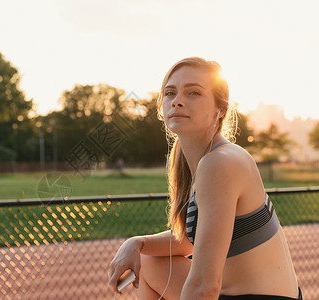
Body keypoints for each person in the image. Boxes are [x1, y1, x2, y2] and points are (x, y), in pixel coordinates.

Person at [108, 57, 301, 299]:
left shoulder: (219, 162)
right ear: (161, 106)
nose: (177, 101)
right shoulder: (200, 160)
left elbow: (204, 287)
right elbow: (192, 241)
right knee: (150, 262)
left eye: (193, 93)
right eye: (170, 93)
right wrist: (136, 243)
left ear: (219, 110)